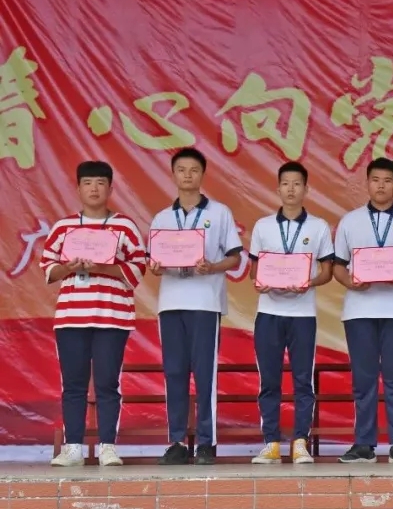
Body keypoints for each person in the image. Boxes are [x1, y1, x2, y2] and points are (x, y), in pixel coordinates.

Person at [41, 161, 147, 467]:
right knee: (73, 384)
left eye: (100, 183)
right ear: (78, 188)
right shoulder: (63, 227)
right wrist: (69, 267)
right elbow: (48, 268)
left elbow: (138, 267)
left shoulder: (124, 226)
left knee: (107, 384)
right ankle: (73, 447)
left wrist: (102, 266)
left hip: (113, 316)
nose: (94, 189)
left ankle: (107, 447)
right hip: (71, 317)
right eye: (87, 183)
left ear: (111, 188)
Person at [333, 157, 393, 464]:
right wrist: (350, 282)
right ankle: (363, 443)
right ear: (367, 183)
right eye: (375, 180)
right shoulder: (350, 221)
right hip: (358, 310)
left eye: (387, 180)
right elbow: (338, 265)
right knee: (363, 379)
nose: (381, 186)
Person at [149, 148, 243, 466]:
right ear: (173, 174)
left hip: (205, 302)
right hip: (170, 303)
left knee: (205, 375)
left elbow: (235, 257)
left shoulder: (220, 212)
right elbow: (154, 262)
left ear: (202, 174)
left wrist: (212, 267)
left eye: (193, 170)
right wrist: (156, 267)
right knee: (174, 372)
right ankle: (177, 441)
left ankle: (206, 442)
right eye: (181, 170)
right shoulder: (162, 218)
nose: (187, 175)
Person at [248, 162, 334, 465]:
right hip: (268, 312)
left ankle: (300, 442)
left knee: (303, 381)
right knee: (269, 381)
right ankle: (271, 443)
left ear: (306, 189)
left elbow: (327, 271)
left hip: (303, 315)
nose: (291, 189)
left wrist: (310, 282)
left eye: (297, 184)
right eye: (285, 183)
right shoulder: (263, 226)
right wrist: (260, 282)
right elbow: (254, 271)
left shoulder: (319, 227)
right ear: (278, 188)